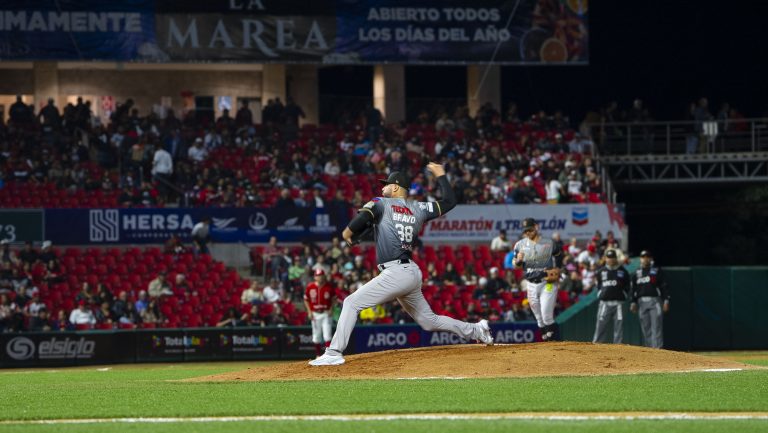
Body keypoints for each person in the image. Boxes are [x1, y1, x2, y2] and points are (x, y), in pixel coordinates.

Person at [310, 163, 493, 366]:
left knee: (351, 303)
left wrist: (347, 234)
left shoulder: (381, 203)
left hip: (397, 272)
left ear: (396, 187)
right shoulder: (419, 208)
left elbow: (359, 221)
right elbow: (450, 201)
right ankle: (477, 330)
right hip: (410, 272)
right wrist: (441, 175)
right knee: (429, 321)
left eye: (386, 185)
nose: (382, 188)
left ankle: (334, 351)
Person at [513, 217, 562, 341]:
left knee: (546, 316)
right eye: (525, 231)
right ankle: (546, 340)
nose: (528, 233)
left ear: (536, 227)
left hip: (547, 283)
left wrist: (558, 269)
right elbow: (515, 264)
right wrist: (518, 261)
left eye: (529, 229)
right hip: (531, 284)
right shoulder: (520, 245)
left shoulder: (549, 242)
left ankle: (558, 341)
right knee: (539, 319)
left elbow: (559, 255)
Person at [630, 250, 669, 348]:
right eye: (643, 256)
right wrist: (633, 302)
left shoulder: (656, 270)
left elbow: (664, 286)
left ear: (651, 258)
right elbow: (633, 289)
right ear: (640, 259)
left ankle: (658, 350)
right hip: (641, 302)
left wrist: (666, 300)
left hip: (654, 301)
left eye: (647, 256)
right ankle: (650, 351)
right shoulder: (637, 272)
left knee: (656, 327)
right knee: (645, 328)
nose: (645, 258)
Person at [592, 250, 631, 344]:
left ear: (615, 258)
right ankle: (597, 344)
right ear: (605, 258)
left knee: (619, 326)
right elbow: (598, 284)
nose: (610, 259)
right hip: (605, 303)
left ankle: (618, 346)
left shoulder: (622, 271)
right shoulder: (601, 271)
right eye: (608, 257)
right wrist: (600, 293)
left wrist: (624, 294)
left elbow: (627, 286)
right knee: (601, 325)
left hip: (618, 303)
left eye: (612, 257)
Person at [304, 268, 335, 357]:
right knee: (316, 336)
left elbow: (334, 299)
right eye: (318, 276)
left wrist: (331, 309)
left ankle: (328, 355)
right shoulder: (310, 287)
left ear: (324, 276)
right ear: (315, 277)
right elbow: (306, 299)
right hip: (315, 314)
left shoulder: (329, 287)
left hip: (326, 313)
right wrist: (309, 312)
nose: (319, 277)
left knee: (327, 335)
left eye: (321, 275)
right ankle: (318, 355)